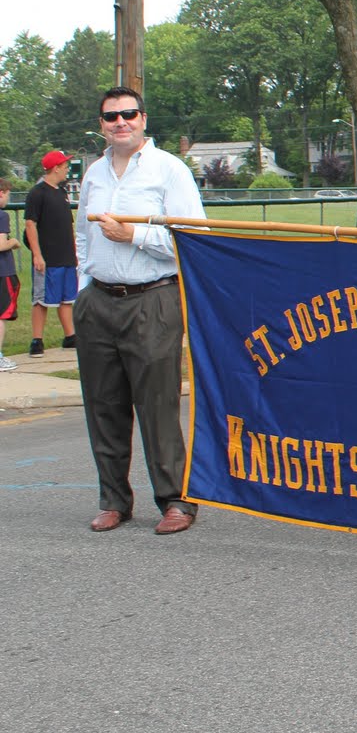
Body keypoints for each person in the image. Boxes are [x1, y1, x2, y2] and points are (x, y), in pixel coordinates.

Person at [75, 87, 207, 535]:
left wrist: (134, 235)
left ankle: (176, 501)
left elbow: (190, 239)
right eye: (111, 117)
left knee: (157, 405)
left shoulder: (169, 171)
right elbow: (82, 237)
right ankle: (113, 499)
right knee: (103, 405)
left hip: (152, 300)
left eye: (128, 114)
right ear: (102, 125)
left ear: (143, 119)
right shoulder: (93, 174)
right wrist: (82, 288)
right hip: (98, 302)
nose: (120, 122)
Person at [24, 148, 78, 355]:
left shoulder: (62, 193)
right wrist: (37, 254)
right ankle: (37, 340)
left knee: (66, 298)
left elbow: (67, 226)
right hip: (47, 257)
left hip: (65, 256)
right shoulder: (37, 193)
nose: (67, 170)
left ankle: (70, 336)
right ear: (55, 168)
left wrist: (74, 252)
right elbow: (30, 224)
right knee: (42, 299)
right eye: (64, 167)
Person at [0, 180, 19, 371]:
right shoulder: (2, 215)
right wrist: (12, 241)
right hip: (2, 271)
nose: (8, 199)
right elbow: (0, 244)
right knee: (1, 315)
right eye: (7, 194)